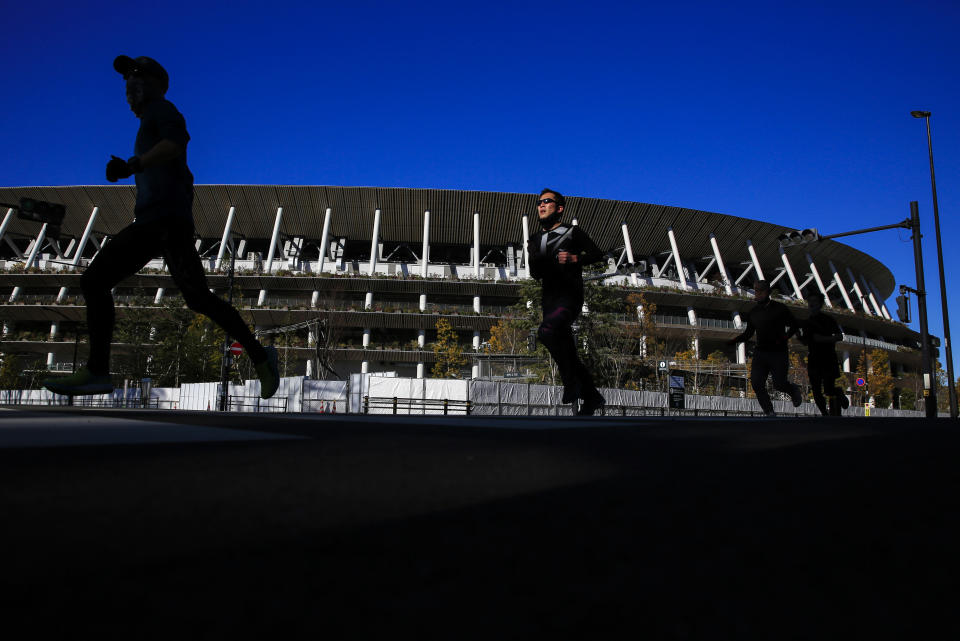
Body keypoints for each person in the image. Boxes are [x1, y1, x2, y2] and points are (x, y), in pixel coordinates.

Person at [43, 56, 279, 398]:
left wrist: (134, 164)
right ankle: (261, 357)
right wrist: (129, 168)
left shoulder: (161, 110)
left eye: (134, 79)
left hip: (165, 222)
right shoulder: (148, 121)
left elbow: (176, 144)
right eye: (125, 82)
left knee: (99, 281)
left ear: (152, 84)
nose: (127, 88)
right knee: (195, 297)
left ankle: (97, 371)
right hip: (157, 222)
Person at [527, 188, 606, 415]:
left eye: (547, 202)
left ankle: (571, 383)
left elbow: (597, 254)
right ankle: (591, 396)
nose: (541, 205)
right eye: (539, 202)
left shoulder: (572, 232)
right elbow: (535, 274)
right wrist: (535, 258)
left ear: (559, 208)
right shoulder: (534, 239)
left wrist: (574, 258)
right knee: (567, 349)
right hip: (548, 299)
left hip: (569, 296)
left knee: (546, 332)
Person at [729, 280, 803, 416]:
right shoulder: (753, 313)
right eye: (756, 290)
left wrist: (786, 338)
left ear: (768, 292)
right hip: (761, 352)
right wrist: (734, 340)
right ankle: (769, 411)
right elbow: (748, 333)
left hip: (778, 352)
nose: (757, 293)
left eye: (760, 290)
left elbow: (794, 324)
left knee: (779, 384)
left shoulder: (780, 308)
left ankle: (793, 390)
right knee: (756, 383)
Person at [799, 292, 850, 416]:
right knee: (815, 388)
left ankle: (838, 393)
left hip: (828, 357)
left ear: (820, 304)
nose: (811, 304)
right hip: (814, 358)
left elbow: (839, 336)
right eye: (810, 301)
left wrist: (824, 339)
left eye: (815, 301)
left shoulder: (828, 320)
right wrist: (798, 336)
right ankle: (824, 414)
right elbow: (806, 341)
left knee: (828, 388)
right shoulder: (807, 323)